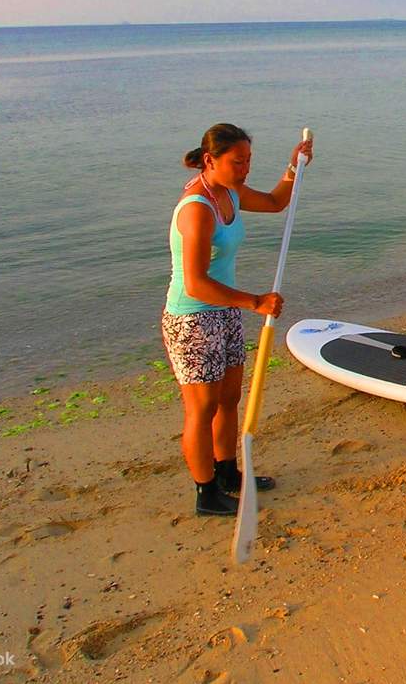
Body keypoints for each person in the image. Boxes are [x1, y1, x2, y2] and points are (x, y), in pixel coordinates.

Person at [162, 123, 314, 517]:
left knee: (230, 399)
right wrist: (255, 301)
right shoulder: (197, 208)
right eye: (237, 161)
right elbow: (194, 284)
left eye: (248, 160)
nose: (244, 168)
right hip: (191, 319)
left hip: (225, 311)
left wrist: (294, 167)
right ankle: (206, 492)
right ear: (210, 160)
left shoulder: (228, 190)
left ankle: (228, 472)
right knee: (202, 407)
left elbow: (276, 202)